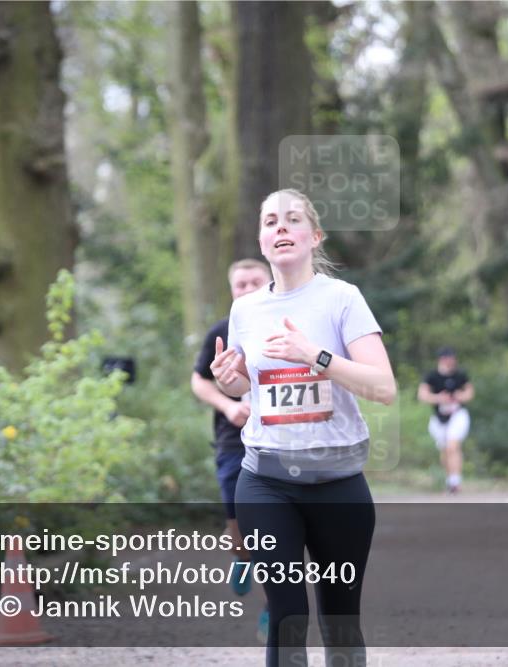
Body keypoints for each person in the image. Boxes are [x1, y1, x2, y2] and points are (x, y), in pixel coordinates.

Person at [210, 189, 395, 667]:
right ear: (262, 238)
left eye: (292, 220)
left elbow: (384, 387)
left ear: (314, 236)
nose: (281, 228)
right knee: (287, 614)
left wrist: (315, 355)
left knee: (340, 618)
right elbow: (245, 391)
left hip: (338, 484)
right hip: (266, 481)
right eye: (270, 221)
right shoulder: (245, 310)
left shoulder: (341, 299)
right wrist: (230, 383)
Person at [191, 258, 271, 632]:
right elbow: (199, 382)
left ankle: (275, 606)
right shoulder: (222, 332)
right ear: (232, 290)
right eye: (241, 284)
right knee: (240, 527)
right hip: (232, 442)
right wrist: (229, 405)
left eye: (256, 281)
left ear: (271, 282)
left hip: (280, 442)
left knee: (277, 528)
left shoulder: (288, 330)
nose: (249, 288)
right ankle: (242, 556)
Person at [418, 347, 475, 494]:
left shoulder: (460, 375)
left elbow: (469, 393)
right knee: (445, 450)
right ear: (442, 359)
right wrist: (438, 398)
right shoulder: (432, 376)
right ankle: (450, 480)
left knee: (452, 446)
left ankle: (456, 482)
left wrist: (459, 396)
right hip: (439, 418)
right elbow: (422, 395)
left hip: (457, 415)